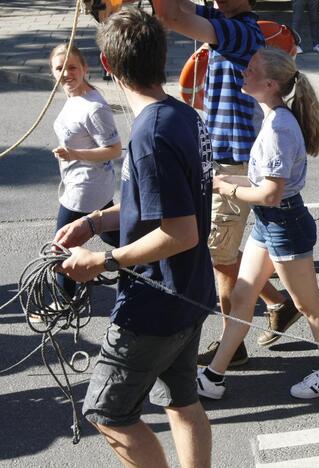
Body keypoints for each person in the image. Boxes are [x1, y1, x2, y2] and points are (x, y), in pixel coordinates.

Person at [56, 8, 215, 467]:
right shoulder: (181, 115)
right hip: (189, 289)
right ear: (163, 56)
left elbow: (179, 232)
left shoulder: (151, 133)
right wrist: (94, 222)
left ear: (107, 65)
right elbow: (161, 204)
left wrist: (103, 263)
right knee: (182, 400)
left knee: (107, 411)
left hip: (156, 302)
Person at [196, 47, 319, 400]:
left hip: (283, 223)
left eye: (250, 70)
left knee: (309, 305)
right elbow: (265, 189)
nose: (243, 73)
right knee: (243, 295)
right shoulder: (272, 117)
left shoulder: (279, 125)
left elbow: (270, 194)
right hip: (271, 223)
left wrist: (227, 186)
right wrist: (224, 183)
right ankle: (213, 377)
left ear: (269, 83)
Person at [156, 0, 300, 356]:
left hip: (233, 165)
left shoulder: (240, 31)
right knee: (221, 251)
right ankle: (279, 303)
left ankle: (233, 346)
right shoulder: (222, 17)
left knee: (219, 256)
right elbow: (178, 8)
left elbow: (171, 18)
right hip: (221, 159)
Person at [47, 43, 121, 306]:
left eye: (72, 67)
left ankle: (65, 299)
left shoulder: (94, 107)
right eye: (59, 68)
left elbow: (114, 150)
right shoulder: (73, 96)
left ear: (85, 68)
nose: (66, 73)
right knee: (113, 233)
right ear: (52, 72)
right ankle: (148, 262)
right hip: (86, 184)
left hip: (85, 188)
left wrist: (74, 154)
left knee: (61, 244)